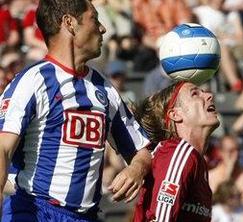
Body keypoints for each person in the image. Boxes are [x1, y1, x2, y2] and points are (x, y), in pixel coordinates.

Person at [0, 0, 152, 221]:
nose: (103, 28)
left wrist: (137, 168)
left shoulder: (104, 88)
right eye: (94, 19)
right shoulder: (33, 81)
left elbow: (142, 150)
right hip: (33, 210)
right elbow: (3, 149)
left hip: (85, 217)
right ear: (69, 23)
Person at [133, 81, 220, 221]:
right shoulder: (179, 152)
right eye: (195, 94)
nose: (209, 95)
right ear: (175, 114)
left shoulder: (197, 162)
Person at [208, 134, 243, 205]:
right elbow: (217, 201)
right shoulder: (211, 176)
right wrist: (228, 173)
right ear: (220, 152)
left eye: (238, 150)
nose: (236, 155)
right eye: (231, 151)